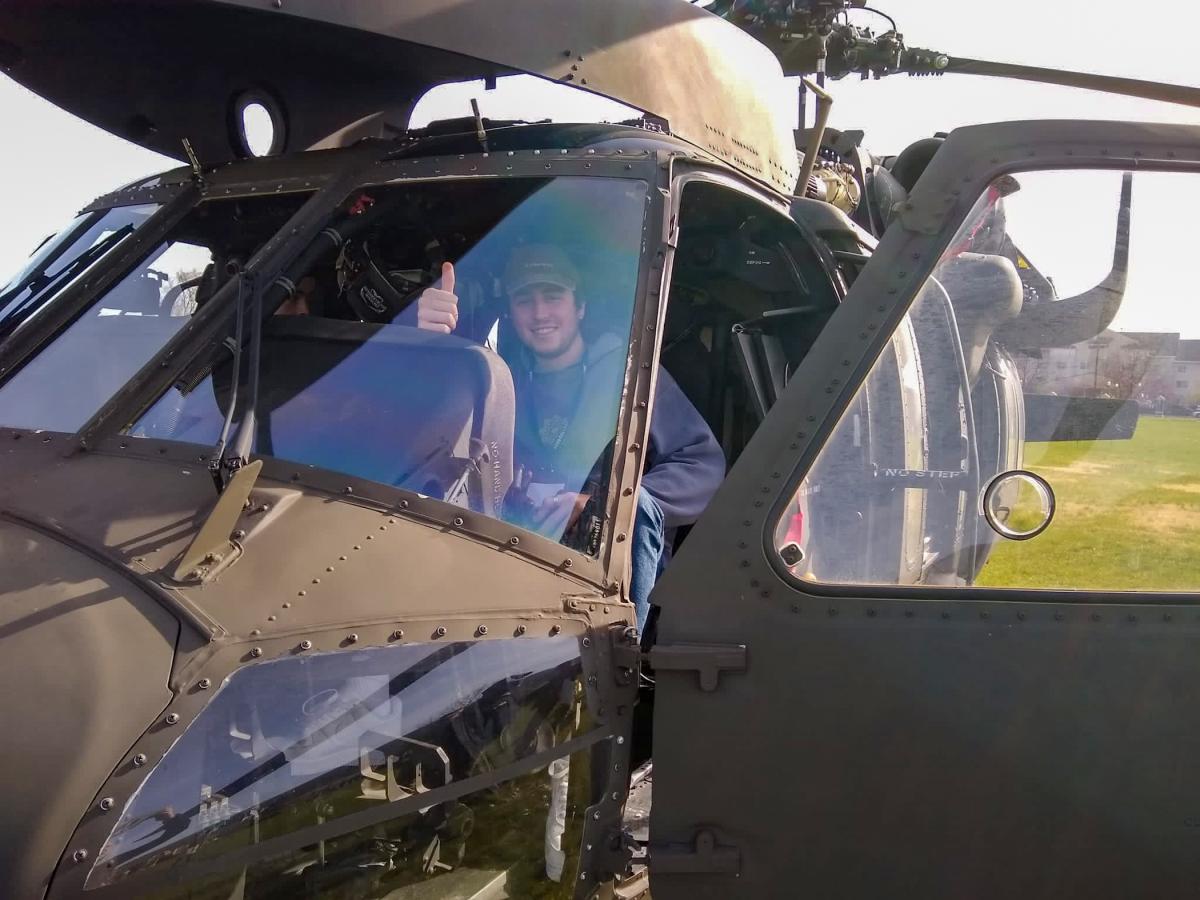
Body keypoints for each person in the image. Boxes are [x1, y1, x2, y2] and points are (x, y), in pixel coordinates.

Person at [416, 244, 724, 630]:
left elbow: (702, 463)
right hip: (513, 564)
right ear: (510, 313)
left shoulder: (630, 376)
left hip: (601, 583)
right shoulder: (498, 380)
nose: (540, 313)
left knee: (639, 506)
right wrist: (431, 344)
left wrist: (602, 504)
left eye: (553, 296)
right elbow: (429, 440)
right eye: (525, 300)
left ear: (580, 307)